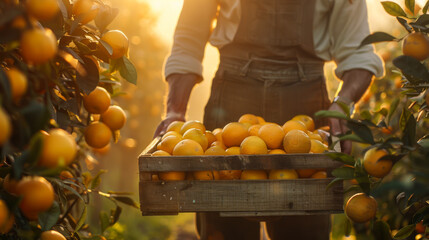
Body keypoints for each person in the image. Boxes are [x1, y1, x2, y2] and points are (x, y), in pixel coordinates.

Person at [154, 0, 384, 239]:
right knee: (223, 223)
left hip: (304, 96)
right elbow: (190, 33)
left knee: (304, 227)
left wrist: (344, 103)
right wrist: (175, 111)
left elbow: (359, 53)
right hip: (233, 94)